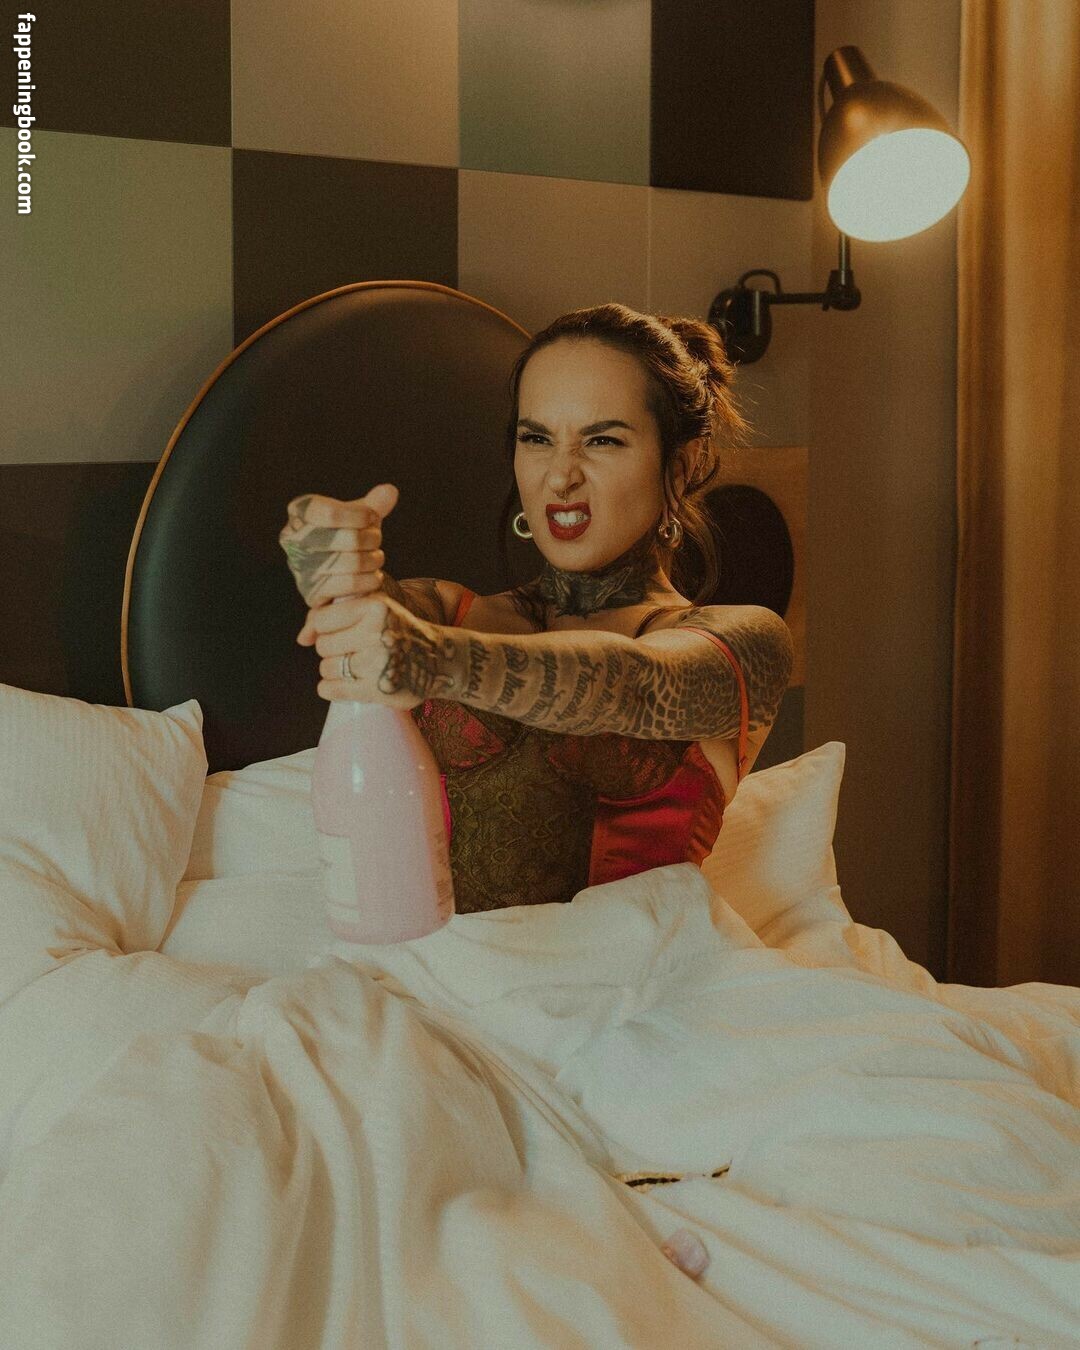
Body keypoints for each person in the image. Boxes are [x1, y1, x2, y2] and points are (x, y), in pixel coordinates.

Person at [279, 302, 794, 913]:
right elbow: (377, 613)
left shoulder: (746, 642)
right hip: (436, 961)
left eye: (602, 440)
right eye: (537, 439)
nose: (560, 477)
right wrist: (329, 562)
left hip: (634, 966)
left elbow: (633, 684)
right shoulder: (443, 611)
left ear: (679, 468)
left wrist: (434, 661)